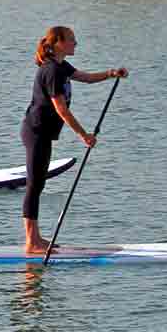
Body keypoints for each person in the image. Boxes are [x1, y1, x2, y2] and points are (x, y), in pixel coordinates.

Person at [21, 25, 128, 255]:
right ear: (58, 42)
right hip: (36, 131)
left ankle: (36, 238)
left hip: (44, 133)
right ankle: (31, 242)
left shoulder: (62, 66)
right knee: (34, 184)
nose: (75, 43)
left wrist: (111, 74)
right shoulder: (51, 71)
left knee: (38, 184)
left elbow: (86, 78)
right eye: (71, 40)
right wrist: (83, 135)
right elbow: (62, 110)